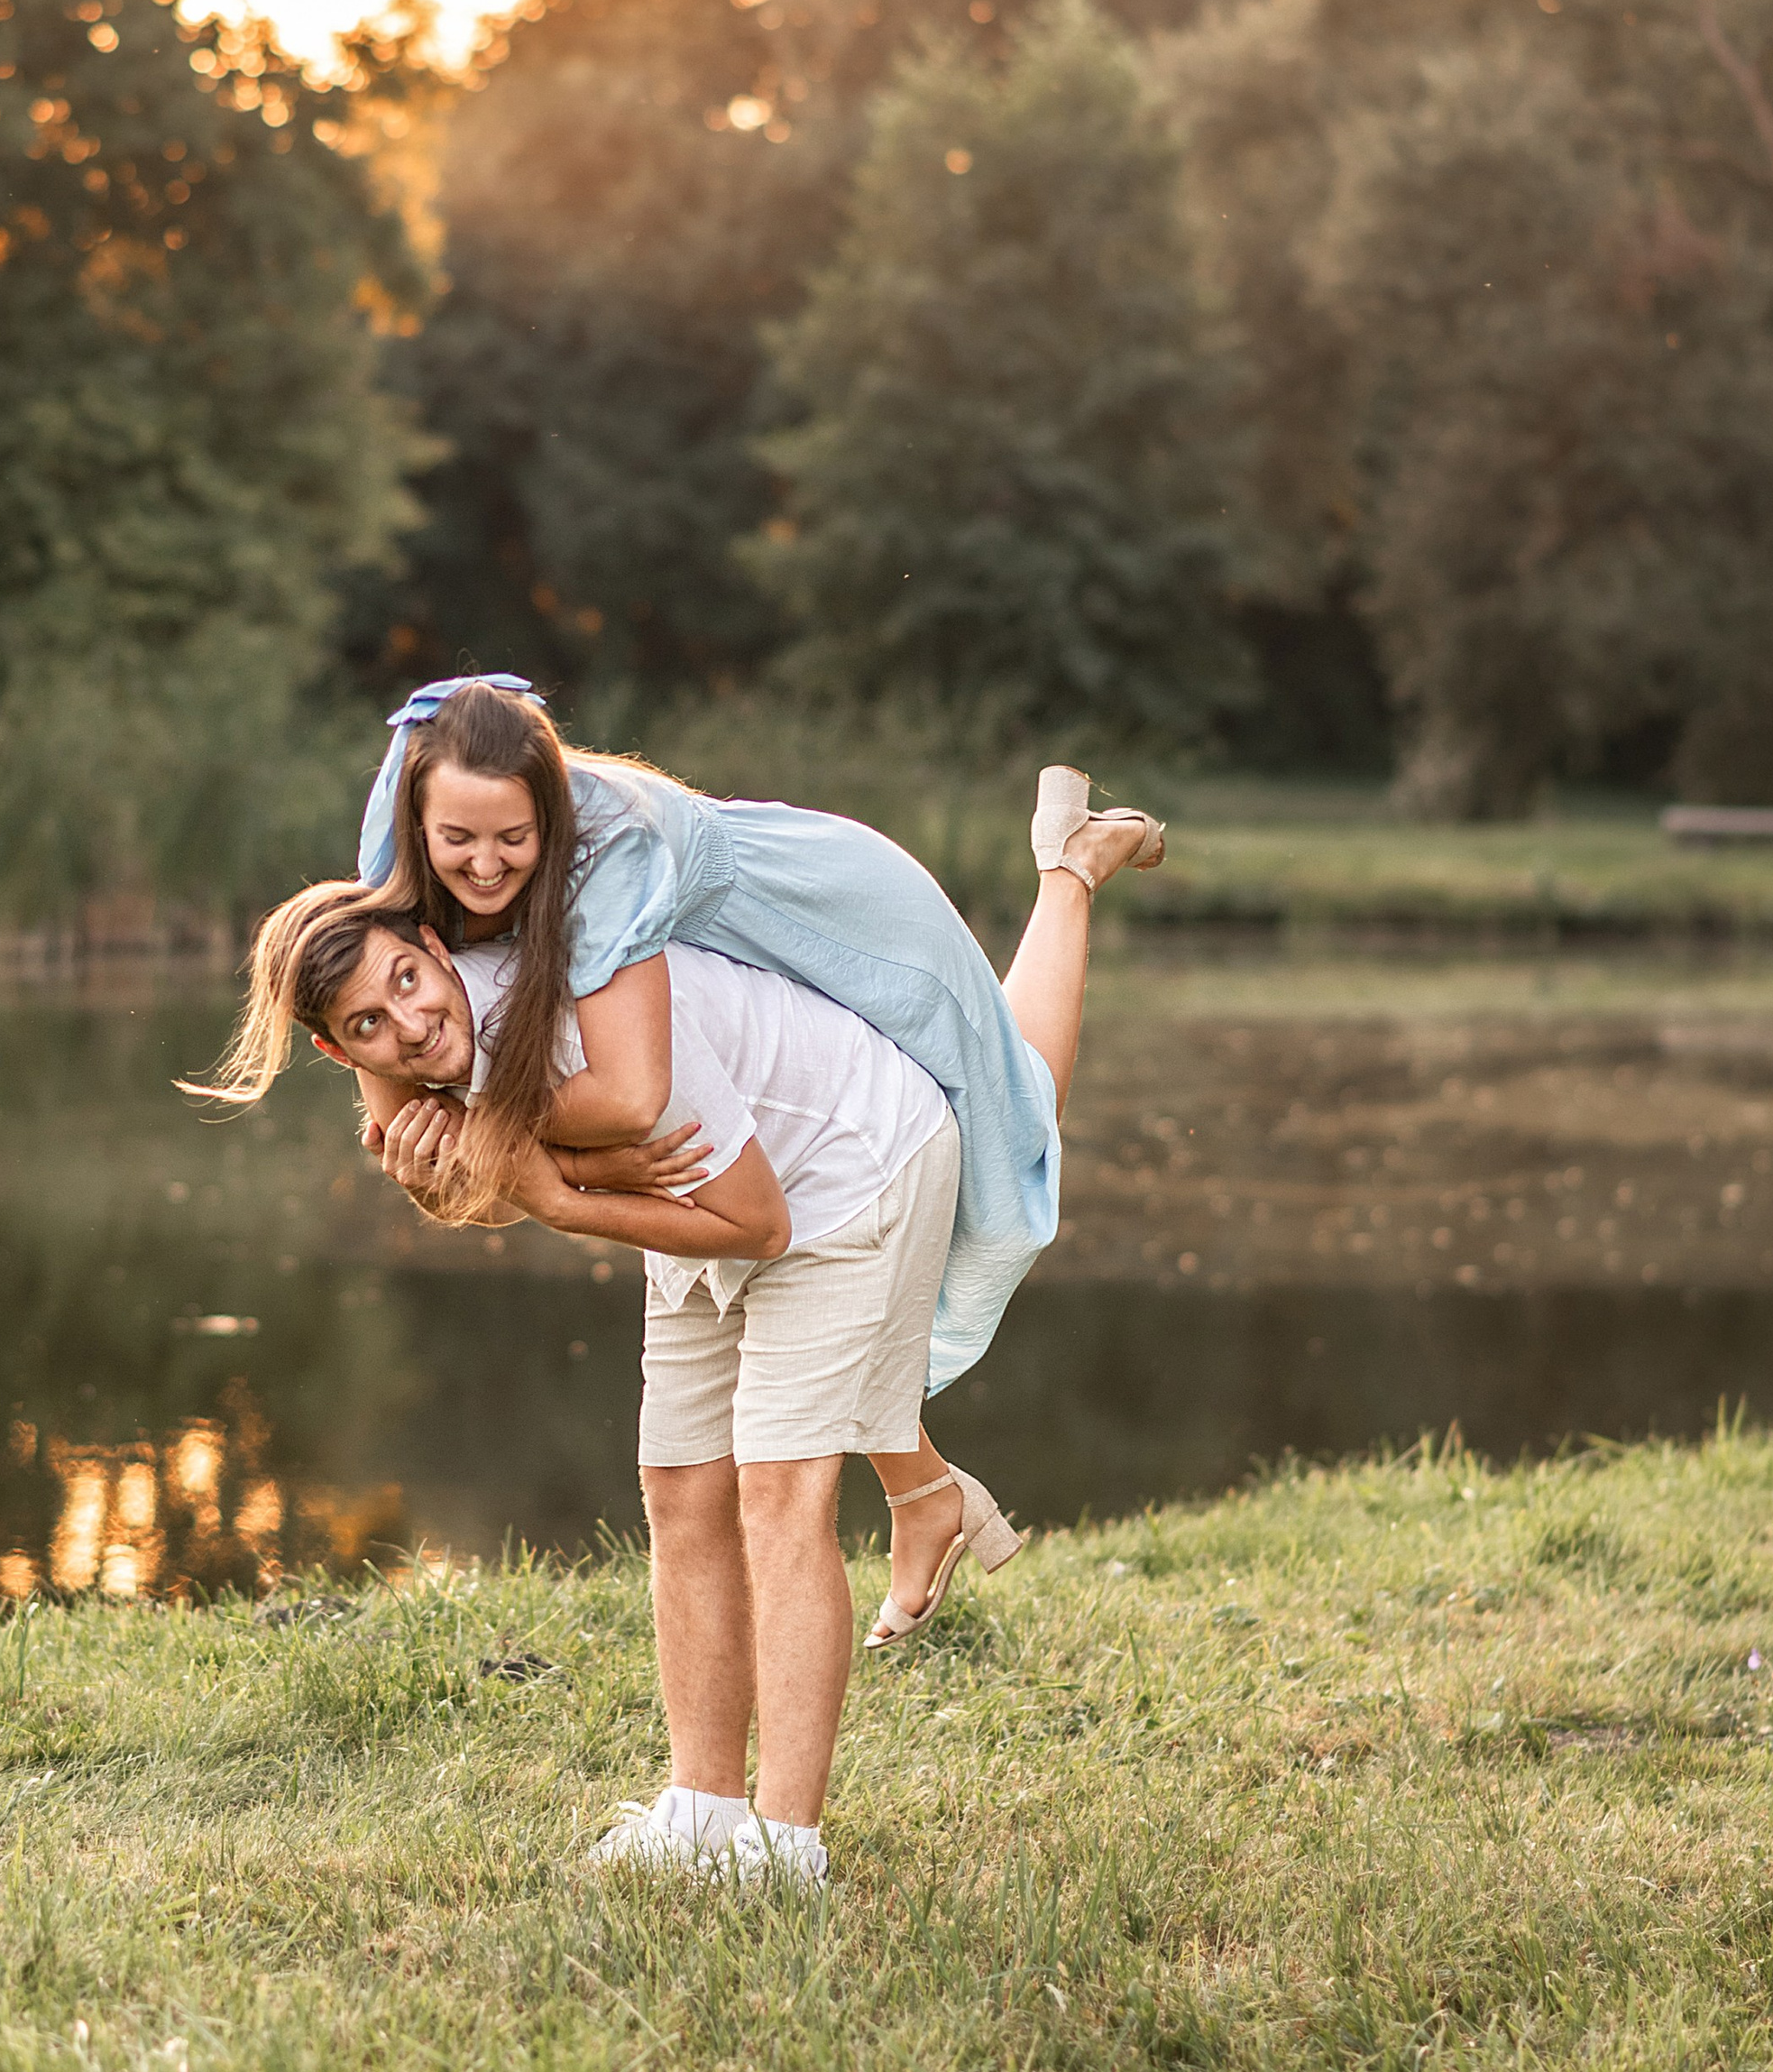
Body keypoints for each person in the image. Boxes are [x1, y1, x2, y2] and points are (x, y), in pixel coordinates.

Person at [233, 881, 1026, 1891]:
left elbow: (759, 1226)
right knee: (679, 1486)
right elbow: (515, 1177)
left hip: (843, 1170)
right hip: (706, 1191)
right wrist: (484, 1175)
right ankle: (701, 1806)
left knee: (780, 1493)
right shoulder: (429, 1060)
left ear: (435, 945)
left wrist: (567, 1202)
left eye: (407, 980)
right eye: (370, 1026)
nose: (411, 1022)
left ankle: (786, 1849)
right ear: (339, 1055)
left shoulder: (565, 1022)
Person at [328, 676, 1162, 1629]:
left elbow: (625, 1101)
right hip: (709, 978)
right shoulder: (386, 878)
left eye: (513, 840)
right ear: (414, 817)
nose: (482, 868)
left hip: (818, 911)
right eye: (457, 842)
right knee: (816, 1193)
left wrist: (554, 1176)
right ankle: (925, 1493)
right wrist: (463, 1162)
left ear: (550, 811)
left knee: (1009, 1116)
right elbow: (440, 1157)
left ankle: (1069, 865)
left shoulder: (612, 852)